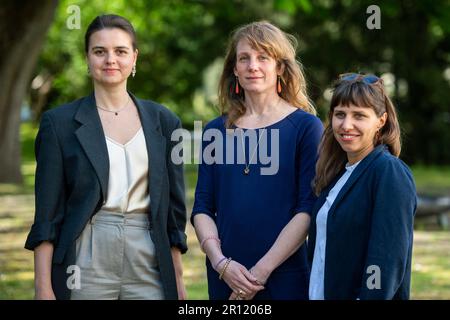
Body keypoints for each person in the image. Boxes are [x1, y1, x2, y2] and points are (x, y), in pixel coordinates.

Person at [24, 14, 187, 300]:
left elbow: (174, 217)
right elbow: (47, 215)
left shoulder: (165, 122)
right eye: (99, 51)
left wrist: (178, 282)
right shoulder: (58, 124)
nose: (110, 59)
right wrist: (42, 287)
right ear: (87, 59)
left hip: (148, 254)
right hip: (86, 254)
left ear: (134, 58)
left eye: (121, 51)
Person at [191, 21, 323, 300]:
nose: (253, 65)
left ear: (280, 68)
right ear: (234, 70)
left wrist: (259, 273)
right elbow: (202, 207)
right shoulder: (215, 131)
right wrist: (221, 264)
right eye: (244, 58)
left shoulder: (306, 127)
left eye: (263, 57)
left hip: (283, 277)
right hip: (225, 276)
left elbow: (307, 209)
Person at [308, 73, 417, 300]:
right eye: (340, 115)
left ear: (381, 120)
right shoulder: (336, 174)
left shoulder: (388, 172)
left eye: (359, 115)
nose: (346, 125)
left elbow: (385, 260)